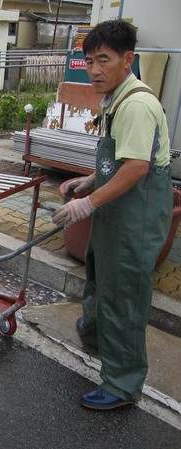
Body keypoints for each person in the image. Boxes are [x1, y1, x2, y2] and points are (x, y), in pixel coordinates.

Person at [52, 19, 172, 410]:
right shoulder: (117, 98)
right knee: (99, 273)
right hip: (114, 209)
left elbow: (137, 168)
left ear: (128, 59)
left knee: (123, 294)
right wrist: (88, 182)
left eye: (104, 59)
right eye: (89, 61)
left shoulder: (136, 104)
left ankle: (122, 383)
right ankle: (96, 332)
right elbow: (119, 161)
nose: (95, 70)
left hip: (134, 216)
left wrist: (86, 204)